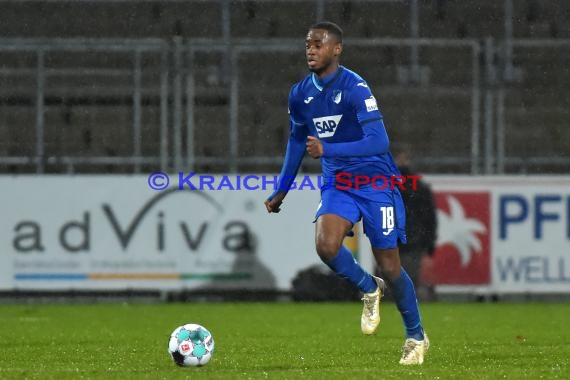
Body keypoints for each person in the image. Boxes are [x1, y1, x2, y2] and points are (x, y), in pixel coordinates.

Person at [264, 21, 429, 365]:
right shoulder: (300, 94)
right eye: (307, 44)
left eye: (319, 44)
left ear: (336, 49)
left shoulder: (355, 87)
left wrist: (329, 150)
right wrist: (282, 189)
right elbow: (297, 141)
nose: (311, 49)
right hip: (339, 183)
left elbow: (379, 142)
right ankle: (368, 287)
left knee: (391, 265)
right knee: (325, 245)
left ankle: (416, 336)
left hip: (376, 184)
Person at [392, 144, 438, 300]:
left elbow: (429, 217)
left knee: (397, 279)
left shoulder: (387, 186)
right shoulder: (419, 187)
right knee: (407, 280)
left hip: (400, 240)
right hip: (410, 240)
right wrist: (429, 241)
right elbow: (429, 218)